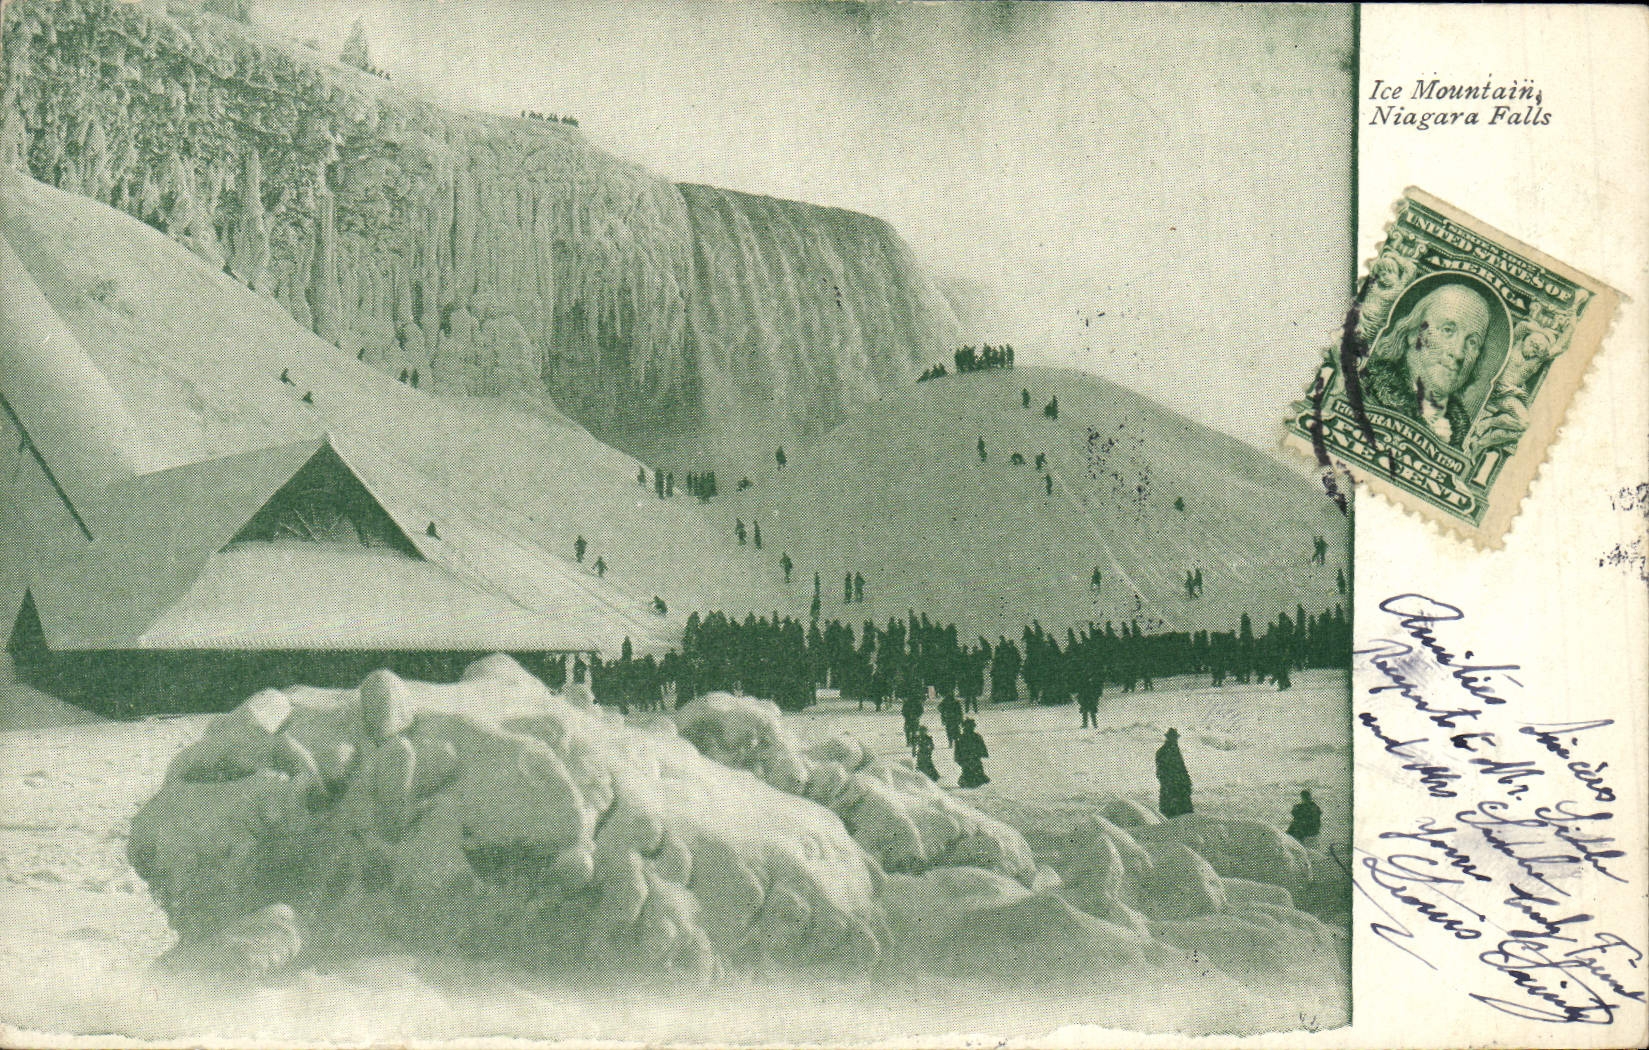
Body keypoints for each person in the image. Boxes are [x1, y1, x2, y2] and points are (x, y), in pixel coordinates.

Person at [1361, 284, 1494, 446]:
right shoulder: (1363, 388)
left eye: (1472, 342)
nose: (1459, 353)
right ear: (1414, 332)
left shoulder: (1465, 438)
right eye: (1447, 330)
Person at [1155, 728, 1193, 817]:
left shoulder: (1175, 750)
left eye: (1175, 738)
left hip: (1180, 787)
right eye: (1173, 738)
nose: (1175, 740)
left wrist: (1187, 783)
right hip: (1170, 788)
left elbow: (1182, 768)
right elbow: (1161, 772)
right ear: (1169, 738)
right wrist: (1170, 783)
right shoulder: (1163, 752)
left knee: (1183, 814)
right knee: (1171, 813)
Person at [955, 718, 990, 788]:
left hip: (974, 757)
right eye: (968, 726)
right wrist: (959, 758)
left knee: (976, 770)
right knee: (968, 771)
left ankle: (974, 781)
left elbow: (982, 746)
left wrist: (983, 753)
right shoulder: (961, 738)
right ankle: (968, 781)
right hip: (967, 758)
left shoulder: (976, 736)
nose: (970, 728)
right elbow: (957, 749)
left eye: (971, 726)